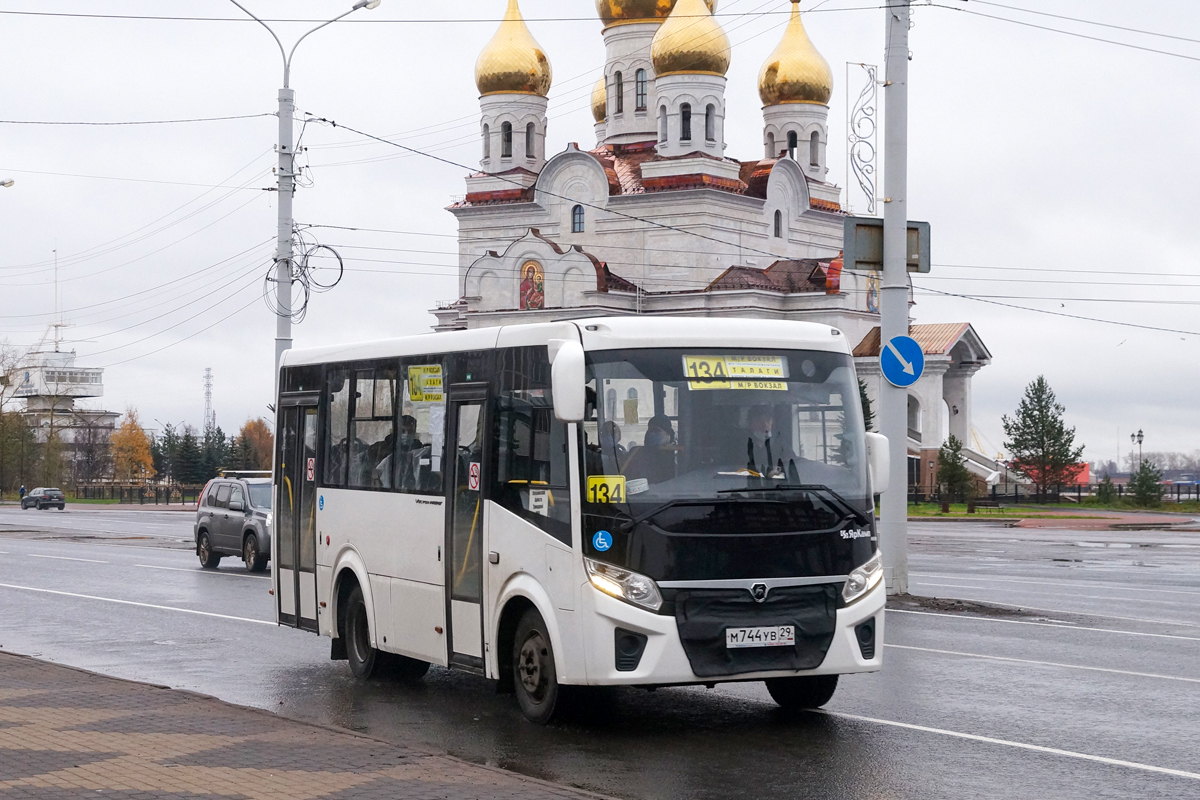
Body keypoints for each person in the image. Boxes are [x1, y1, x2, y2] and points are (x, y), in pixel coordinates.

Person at [744, 405, 796, 479]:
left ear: (772, 422)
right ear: (751, 423)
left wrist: (779, 469)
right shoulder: (742, 446)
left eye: (768, 420)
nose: (765, 425)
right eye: (760, 421)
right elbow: (736, 470)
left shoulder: (781, 445)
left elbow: (792, 464)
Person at [623, 415, 678, 485]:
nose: (651, 434)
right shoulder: (636, 453)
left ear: (668, 436)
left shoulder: (677, 455)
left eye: (656, 431)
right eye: (649, 431)